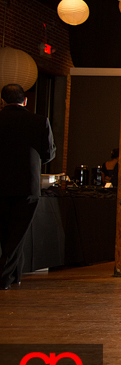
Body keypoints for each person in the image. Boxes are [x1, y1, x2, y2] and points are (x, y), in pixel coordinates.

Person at [0, 84, 56, 290]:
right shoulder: (39, 121)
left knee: (6, 232)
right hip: (27, 184)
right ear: (25, 101)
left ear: (2, 101)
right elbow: (49, 154)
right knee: (18, 233)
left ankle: (15, 276)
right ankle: (5, 278)